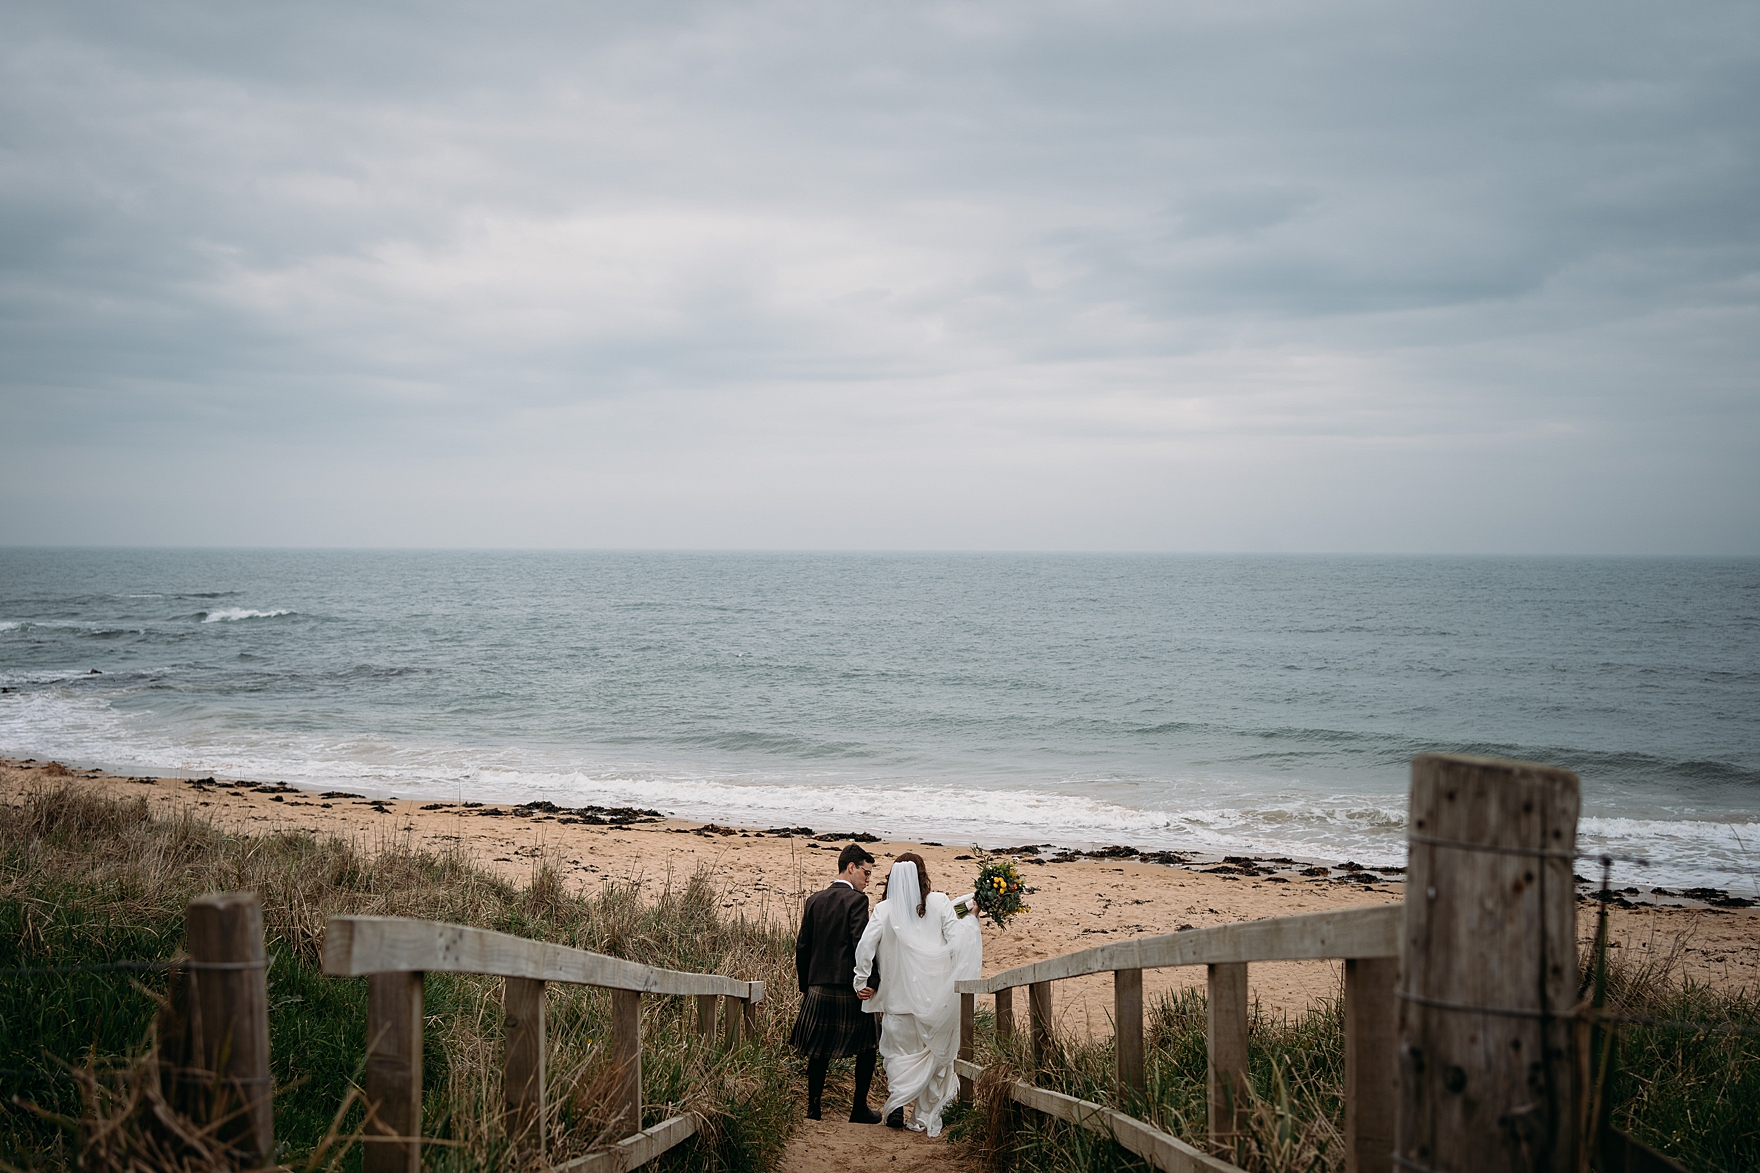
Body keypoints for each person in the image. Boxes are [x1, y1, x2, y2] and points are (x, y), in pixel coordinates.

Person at [853, 853, 968, 1138]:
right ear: (922, 876)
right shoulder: (940, 903)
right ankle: (922, 1115)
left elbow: (865, 947)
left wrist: (861, 979)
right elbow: (957, 942)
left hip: (897, 1002)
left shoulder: (884, 910)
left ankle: (897, 1105)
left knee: (896, 1056)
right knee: (933, 1058)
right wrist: (971, 921)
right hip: (934, 1003)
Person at [789, 843, 883, 1123]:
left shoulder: (814, 900)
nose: (868, 879)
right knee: (867, 1048)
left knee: (818, 1050)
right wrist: (871, 980)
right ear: (851, 867)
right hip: (849, 987)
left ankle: (813, 1109)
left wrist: (806, 985)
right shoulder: (857, 901)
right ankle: (858, 1110)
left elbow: (802, 947)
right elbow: (861, 945)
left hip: (818, 986)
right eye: (866, 873)